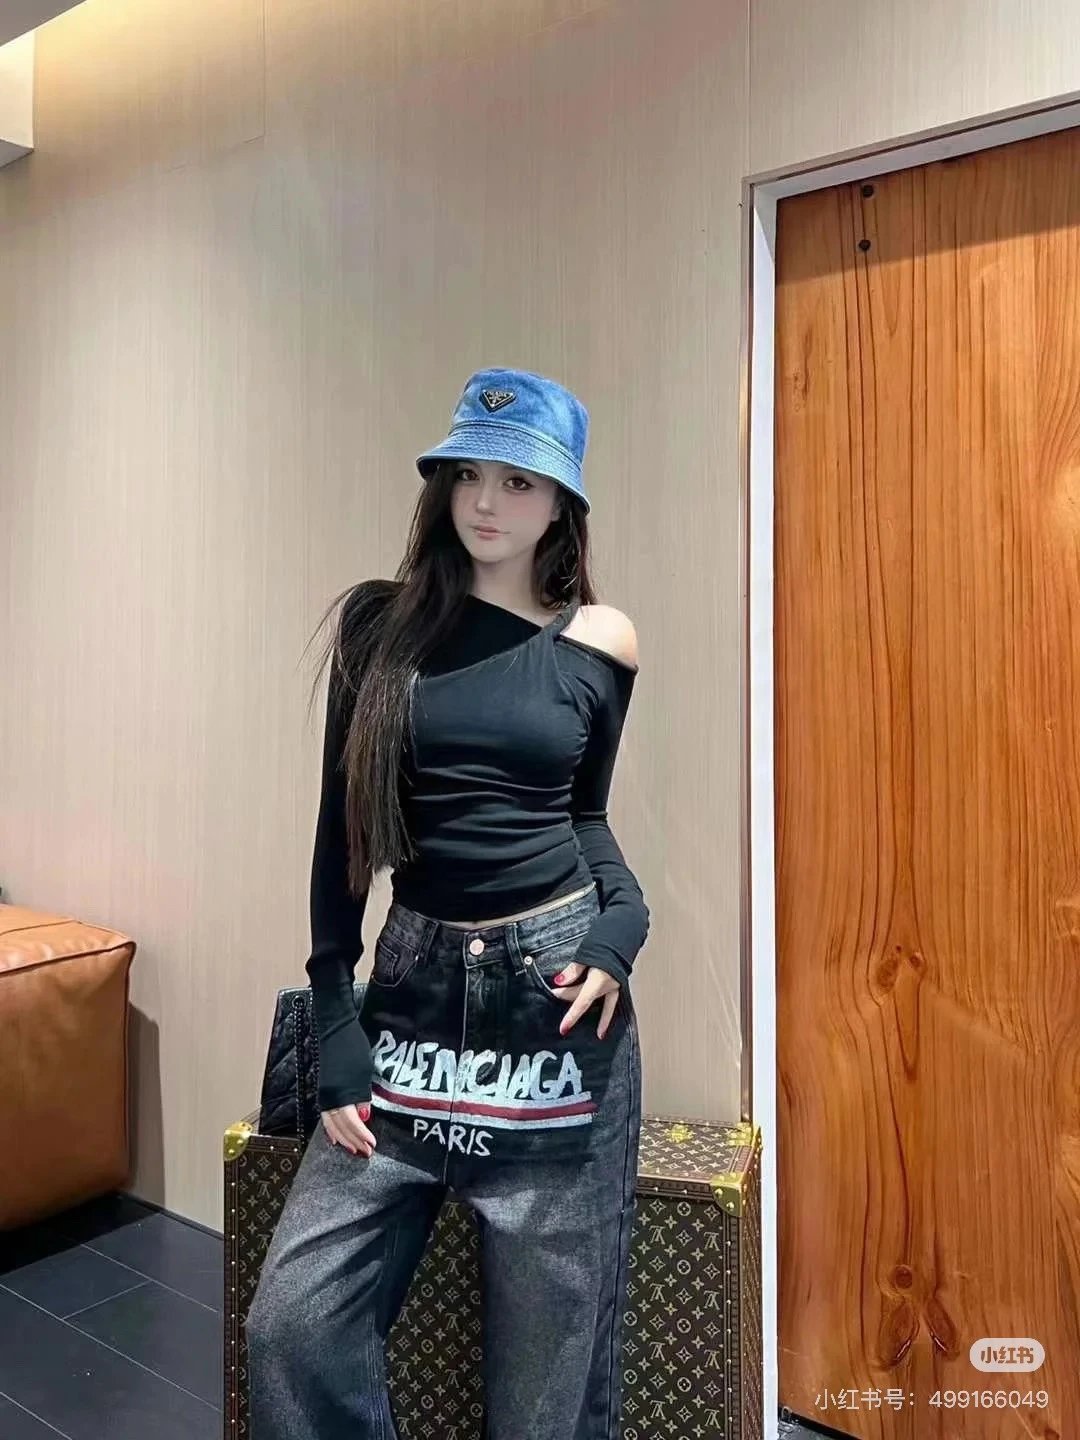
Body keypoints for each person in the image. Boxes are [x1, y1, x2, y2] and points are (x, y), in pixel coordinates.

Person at [245, 367, 650, 1440]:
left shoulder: (599, 640)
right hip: (413, 996)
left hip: (554, 1000)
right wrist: (336, 1013)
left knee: (546, 1390)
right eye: (468, 475)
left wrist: (623, 926)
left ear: (561, 504)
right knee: (293, 1325)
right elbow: (341, 834)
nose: (486, 502)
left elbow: (585, 818)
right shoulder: (379, 627)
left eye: (519, 482)